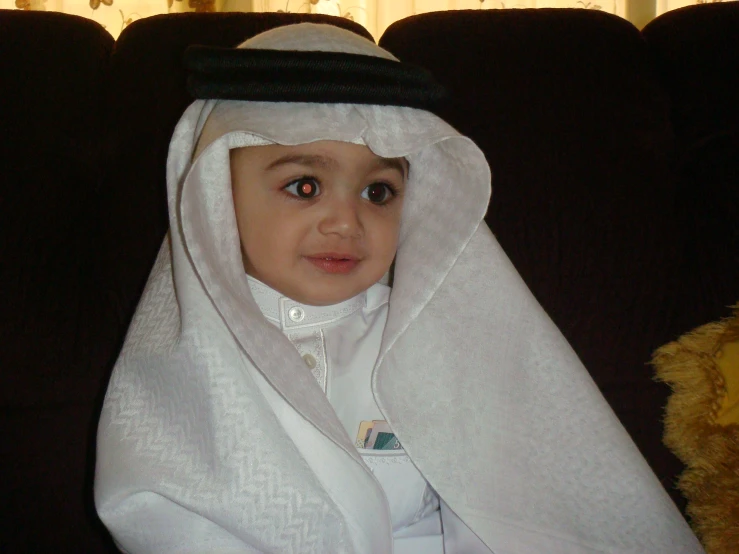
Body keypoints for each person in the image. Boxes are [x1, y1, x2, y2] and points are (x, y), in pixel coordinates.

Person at [94, 22, 704, 554]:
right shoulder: (183, 363)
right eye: (304, 185)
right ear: (216, 199)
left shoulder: (438, 342)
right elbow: (158, 511)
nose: (346, 221)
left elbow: (506, 509)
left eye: (378, 191)